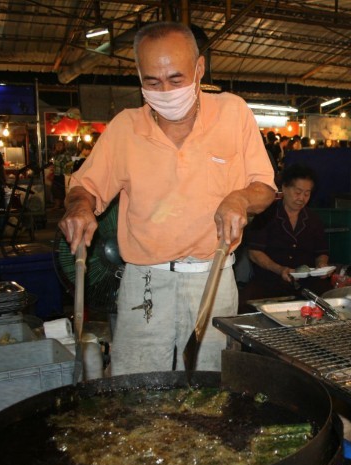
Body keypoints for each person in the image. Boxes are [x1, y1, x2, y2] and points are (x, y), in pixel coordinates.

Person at [59, 21, 276, 375]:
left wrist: (239, 198)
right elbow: (85, 188)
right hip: (145, 281)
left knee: (212, 384)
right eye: (152, 82)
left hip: (214, 277)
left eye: (176, 80)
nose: (165, 91)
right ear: (139, 76)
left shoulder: (233, 113)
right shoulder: (125, 129)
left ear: (199, 69)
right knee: (137, 385)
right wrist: (80, 207)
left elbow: (264, 188)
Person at [239, 164, 331, 311]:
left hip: (306, 284)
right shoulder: (266, 214)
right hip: (269, 281)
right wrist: (280, 269)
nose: (302, 198)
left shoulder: (313, 219)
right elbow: (255, 253)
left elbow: (322, 251)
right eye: (298, 192)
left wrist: (321, 265)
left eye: (307, 194)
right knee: (245, 306)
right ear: (284, 188)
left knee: (329, 304)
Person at [49, 140, 70, 209]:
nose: (58, 147)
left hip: (63, 175)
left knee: (60, 190)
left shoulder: (66, 154)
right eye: (57, 145)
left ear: (63, 146)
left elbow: (68, 165)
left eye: (60, 145)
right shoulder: (56, 155)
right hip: (57, 175)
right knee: (55, 190)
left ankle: (59, 205)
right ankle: (58, 205)